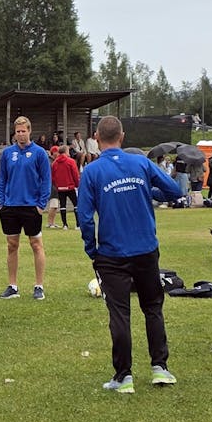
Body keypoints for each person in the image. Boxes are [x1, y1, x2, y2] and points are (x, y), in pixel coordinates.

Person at [77, 116, 183, 392]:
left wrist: (92, 248)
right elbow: (174, 190)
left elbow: (85, 217)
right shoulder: (141, 163)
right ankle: (160, 368)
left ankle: (124, 377)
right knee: (152, 308)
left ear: (97, 139)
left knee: (119, 314)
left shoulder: (92, 171)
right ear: (122, 137)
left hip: (112, 253)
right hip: (146, 249)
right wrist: (147, 189)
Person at [0, 116, 51, 301]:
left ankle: (39, 286)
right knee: (12, 245)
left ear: (29, 131)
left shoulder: (39, 153)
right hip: (10, 206)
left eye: (23, 131)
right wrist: (1, 201)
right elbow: (2, 178)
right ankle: (12, 286)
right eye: (17, 131)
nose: (20, 134)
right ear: (14, 133)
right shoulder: (7, 153)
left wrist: (41, 204)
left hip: (31, 206)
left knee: (36, 244)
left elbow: (46, 180)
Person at [51, 145, 80, 229]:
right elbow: (75, 174)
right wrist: (77, 184)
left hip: (60, 188)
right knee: (76, 205)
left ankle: (65, 225)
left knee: (62, 206)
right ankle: (78, 224)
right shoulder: (70, 161)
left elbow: (52, 177)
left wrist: (57, 185)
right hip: (70, 186)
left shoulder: (54, 163)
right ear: (66, 151)